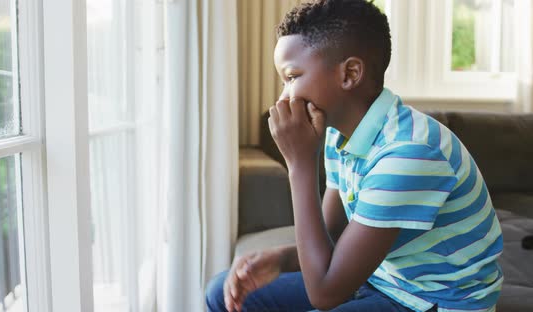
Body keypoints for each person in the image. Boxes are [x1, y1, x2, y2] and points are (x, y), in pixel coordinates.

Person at [206, 0, 503, 311]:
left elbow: (325, 294)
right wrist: (281, 258)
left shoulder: (408, 153)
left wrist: (300, 165)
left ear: (350, 73)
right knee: (220, 293)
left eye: (292, 77)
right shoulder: (338, 132)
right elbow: (334, 234)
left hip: (430, 301)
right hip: (381, 279)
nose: (283, 97)